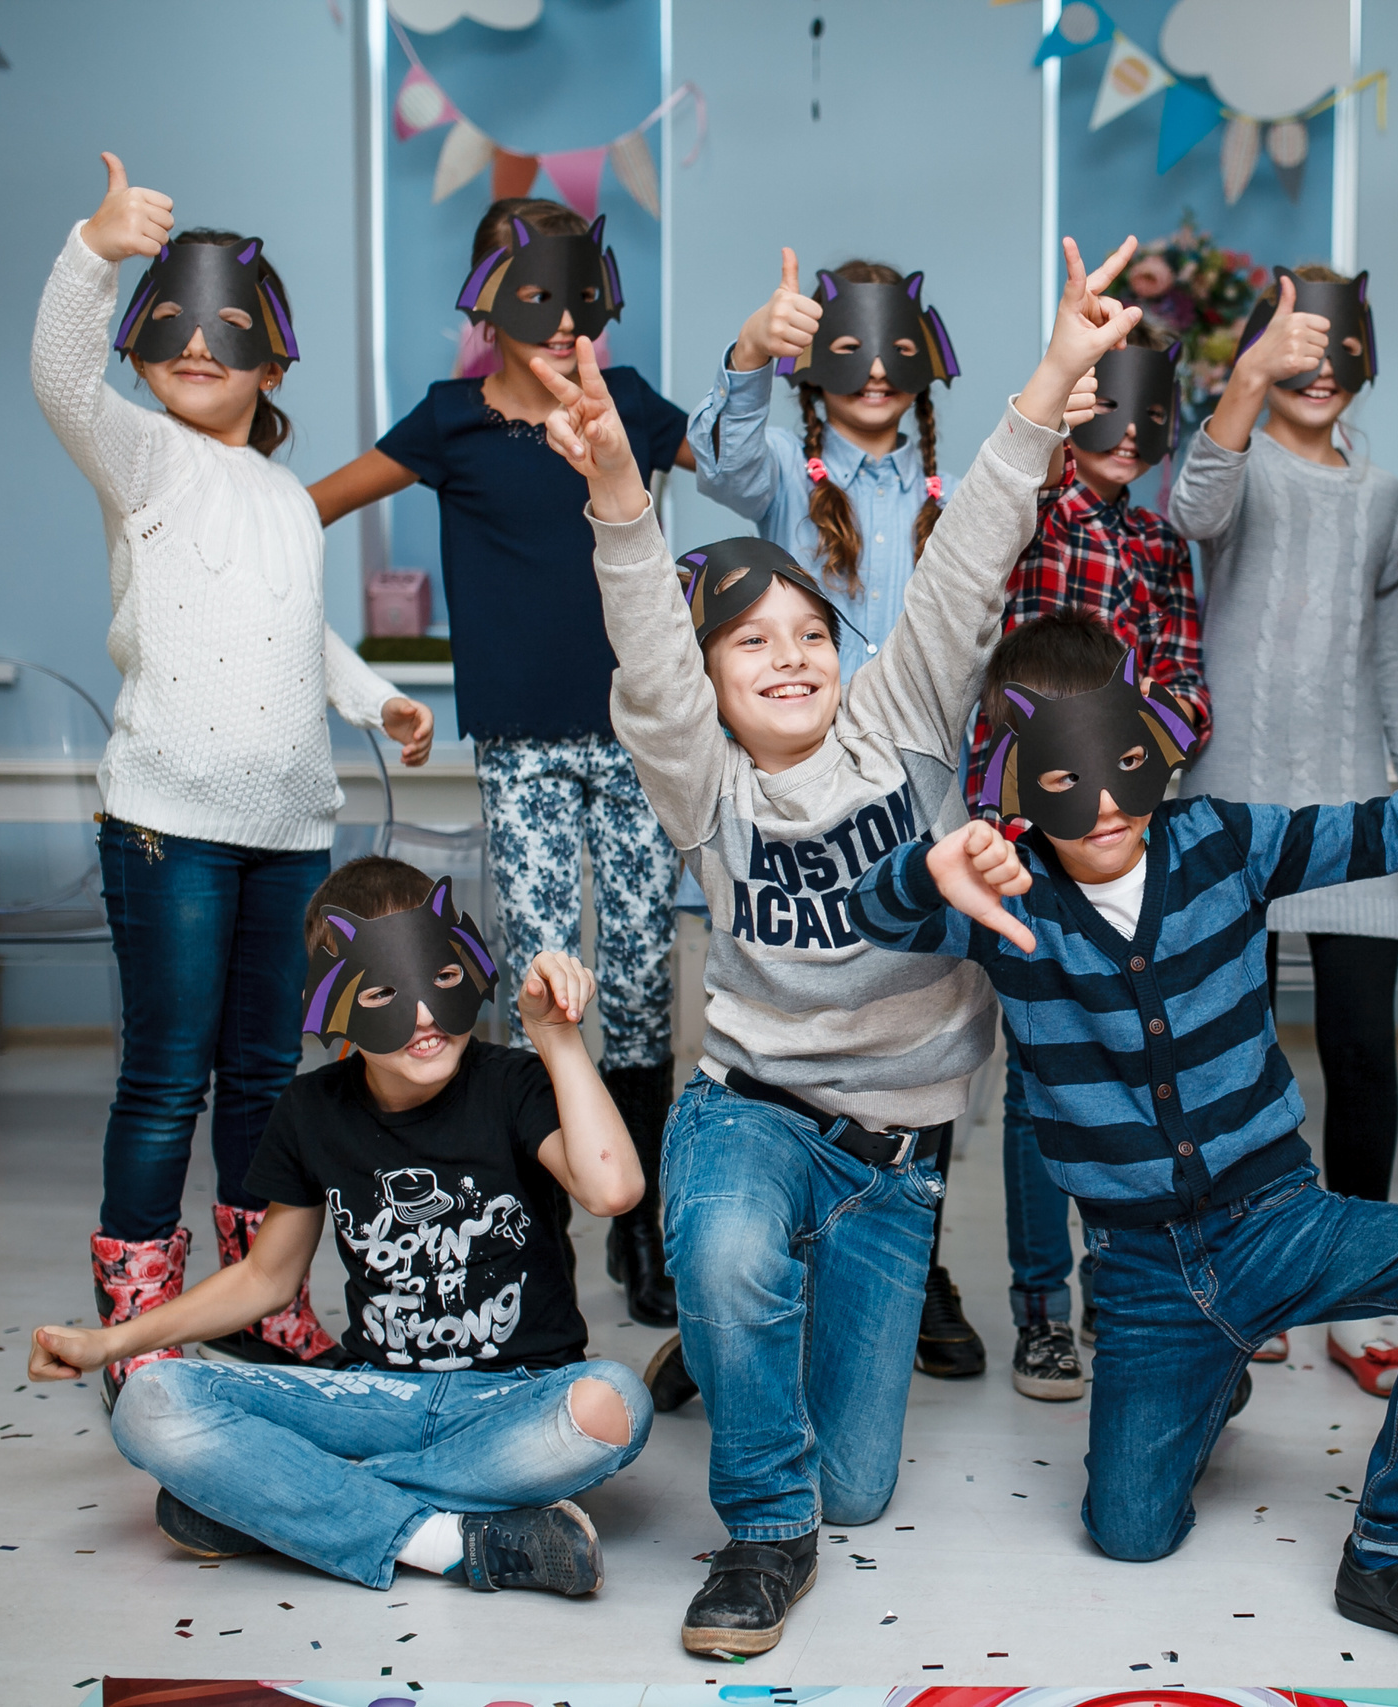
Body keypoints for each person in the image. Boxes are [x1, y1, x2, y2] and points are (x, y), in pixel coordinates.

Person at [534, 236, 1134, 1655]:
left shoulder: (906, 715)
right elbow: (642, 635)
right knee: (738, 1271)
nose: (794, 655)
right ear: (717, 682)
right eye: (753, 645)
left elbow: (980, 533)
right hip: (752, 1105)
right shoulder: (700, 776)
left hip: (897, 1155)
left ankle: (745, 1328)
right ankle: (759, 1532)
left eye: (811, 629)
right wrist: (621, 487)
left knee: (861, 1484)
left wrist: (1057, 371)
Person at [847, 612, 1398, 1674]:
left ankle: (1390, 1550)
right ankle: (1214, 1376)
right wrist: (931, 865)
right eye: (1061, 779)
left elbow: (1359, 832)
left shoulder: (1218, 841)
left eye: (1123, 764)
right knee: (1129, 1534)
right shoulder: (1000, 893)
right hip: (1142, 1273)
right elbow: (874, 913)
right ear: (1008, 779)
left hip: (1283, 1221)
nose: (1103, 806)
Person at [32, 153, 435, 1403]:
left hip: (287, 831)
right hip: (168, 826)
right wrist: (95, 251)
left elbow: (293, 629)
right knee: (167, 1073)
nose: (200, 346)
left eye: (231, 333)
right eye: (176, 326)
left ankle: (259, 1296)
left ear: (271, 361)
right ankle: (140, 1308)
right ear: (148, 348)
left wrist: (379, 700)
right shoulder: (142, 459)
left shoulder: (282, 500)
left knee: (267, 1077)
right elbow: (58, 371)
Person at [25, 856, 651, 1598]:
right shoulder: (309, 1111)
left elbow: (613, 1188)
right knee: (150, 1402)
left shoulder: (511, 1083)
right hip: (372, 1396)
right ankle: (447, 1539)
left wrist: (556, 1037)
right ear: (339, 1004)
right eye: (387, 991)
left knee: (614, 1403)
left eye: (439, 979)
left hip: (514, 1396)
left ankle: (291, 1502)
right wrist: (114, 1342)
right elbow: (266, 1277)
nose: (422, 1016)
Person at [307, 198, 695, 1333]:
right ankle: (536, 1214)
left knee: (634, 985)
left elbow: (730, 458)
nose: (558, 316)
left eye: (578, 291)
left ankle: (642, 1226)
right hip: (520, 747)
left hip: (635, 736)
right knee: (540, 986)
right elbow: (308, 510)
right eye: (528, 289)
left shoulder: (626, 405)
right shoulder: (447, 422)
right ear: (485, 298)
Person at [687, 246, 989, 1375]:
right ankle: (782, 1253)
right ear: (819, 367)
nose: (873, 374)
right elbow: (717, 456)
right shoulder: (778, 470)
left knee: (923, 1025)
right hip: (793, 811)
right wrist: (749, 352)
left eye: (893, 352)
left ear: (924, 366)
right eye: (846, 352)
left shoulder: (937, 500)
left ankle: (912, 1263)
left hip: (916, 805)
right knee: (797, 1025)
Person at [1167, 263, 1398, 1388]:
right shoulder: (1238, 465)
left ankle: (1353, 1288)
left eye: (1339, 353)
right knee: (1229, 1054)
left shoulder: (1381, 499)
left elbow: (1393, 656)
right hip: (1230, 802)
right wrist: (1244, 377)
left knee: (1362, 1053)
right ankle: (1250, 1269)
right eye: (1297, 351)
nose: (1318, 371)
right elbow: (1193, 507)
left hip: (1348, 812)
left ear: (1366, 362)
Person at [984, 320, 1210, 1402]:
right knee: (1038, 1075)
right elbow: (980, 657)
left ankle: (1126, 1290)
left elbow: (1186, 687)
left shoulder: (1164, 550)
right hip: (1027, 836)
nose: (1134, 431)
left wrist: (1131, 759)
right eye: (1111, 404)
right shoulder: (1028, 519)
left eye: (1153, 413)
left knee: (1120, 1065)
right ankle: (1040, 1313)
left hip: (1127, 841)